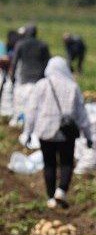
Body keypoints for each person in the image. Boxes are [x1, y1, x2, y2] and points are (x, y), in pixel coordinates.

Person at [23, 57, 92, 209]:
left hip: (45, 130)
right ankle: (61, 190)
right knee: (67, 162)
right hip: (66, 132)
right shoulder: (72, 86)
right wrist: (88, 135)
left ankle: (51, 197)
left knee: (49, 164)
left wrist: (27, 132)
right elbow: (82, 114)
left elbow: (32, 110)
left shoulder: (41, 85)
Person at [10, 24, 50, 125]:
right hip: (39, 80)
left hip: (24, 79)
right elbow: (48, 63)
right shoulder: (42, 45)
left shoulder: (20, 44)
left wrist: (12, 78)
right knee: (37, 107)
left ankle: (21, 125)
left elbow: (14, 63)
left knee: (22, 105)